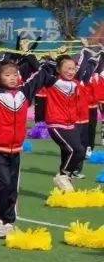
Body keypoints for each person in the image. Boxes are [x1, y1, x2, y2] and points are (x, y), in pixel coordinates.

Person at [0, 47, 55, 237]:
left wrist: (46, 59)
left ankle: (9, 221)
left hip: (16, 150)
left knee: (13, 187)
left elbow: (42, 75)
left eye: (15, 74)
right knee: (2, 184)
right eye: (7, 74)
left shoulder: (24, 93)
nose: (13, 77)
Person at [41, 45, 99, 190]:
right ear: (59, 70)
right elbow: (42, 68)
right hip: (56, 124)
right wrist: (51, 59)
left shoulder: (74, 84)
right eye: (67, 68)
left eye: (73, 69)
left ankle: (65, 178)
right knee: (75, 150)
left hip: (70, 124)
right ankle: (63, 175)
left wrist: (90, 57)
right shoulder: (53, 82)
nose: (71, 71)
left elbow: (85, 71)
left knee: (79, 150)